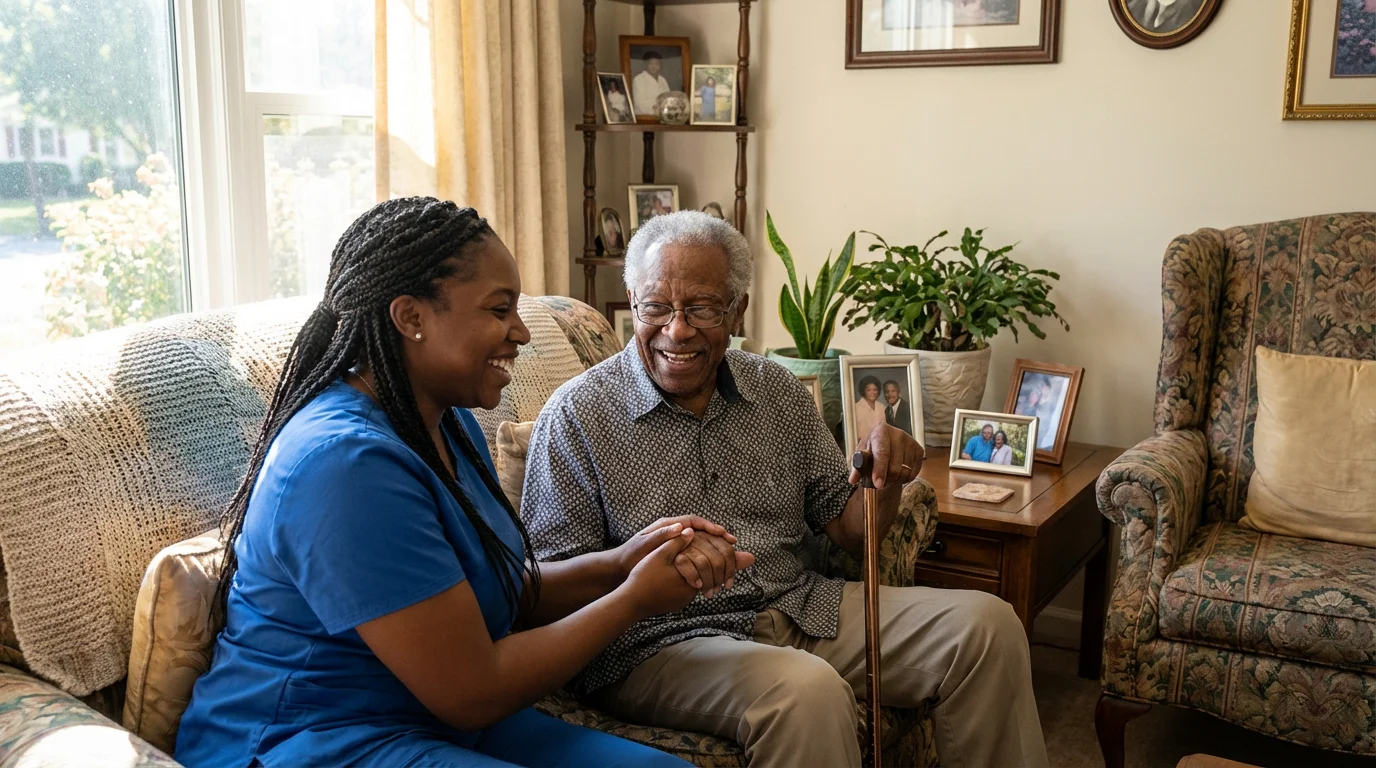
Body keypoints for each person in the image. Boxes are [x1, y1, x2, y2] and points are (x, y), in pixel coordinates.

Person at [174, 198, 702, 768]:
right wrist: (632, 601)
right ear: (412, 318)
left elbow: (495, 589)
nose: (521, 331)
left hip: (424, 722)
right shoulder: (343, 466)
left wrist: (620, 563)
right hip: (311, 740)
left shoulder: (447, 423)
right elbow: (473, 692)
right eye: (500, 310)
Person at [522, 211, 1048, 768]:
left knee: (988, 627)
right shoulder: (578, 415)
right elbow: (542, 592)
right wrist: (638, 568)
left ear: (737, 308)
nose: (677, 330)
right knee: (804, 692)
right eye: (655, 307)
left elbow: (850, 531)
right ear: (632, 299)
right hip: (659, 644)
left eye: (701, 307)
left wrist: (885, 474)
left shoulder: (777, 390)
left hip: (798, 607)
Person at [632, 51, 670, 115]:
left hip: (663, 118)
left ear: (660, 66)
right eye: (651, 64)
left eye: (657, 63)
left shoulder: (663, 80)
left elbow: (669, 101)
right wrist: (660, 102)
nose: (654, 66)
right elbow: (640, 106)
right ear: (646, 64)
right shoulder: (639, 79)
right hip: (645, 119)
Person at [852, 376, 885, 441]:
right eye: (869, 390)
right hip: (862, 445)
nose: (873, 392)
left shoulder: (882, 407)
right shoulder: (856, 408)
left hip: (879, 444)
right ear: (864, 391)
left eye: (875, 390)